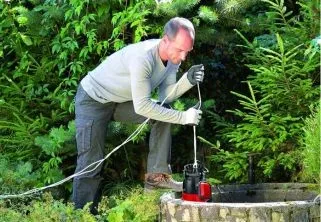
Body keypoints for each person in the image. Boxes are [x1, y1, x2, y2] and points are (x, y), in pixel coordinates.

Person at [72, 17, 205, 213]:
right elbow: (143, 106)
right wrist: (183, 117)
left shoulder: (172, 59)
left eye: (188, 51)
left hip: (120, 101)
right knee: (90, 164)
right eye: (180, 50)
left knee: (163, 112)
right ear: (165, 40)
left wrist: (188, 80)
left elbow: (165, 95)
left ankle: (157, 177)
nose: (184, 57)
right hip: (93, 99)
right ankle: (80, 215)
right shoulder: (143, 58)